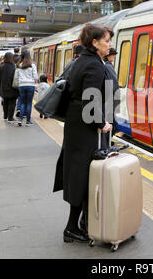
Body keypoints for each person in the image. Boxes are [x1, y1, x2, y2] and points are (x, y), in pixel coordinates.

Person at [53, 23, 113, 243]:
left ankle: (78, 225)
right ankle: (72, 227)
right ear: (94, 43)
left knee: (79, 174)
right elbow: (91, 98)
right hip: (85, 128)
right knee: (82, 175)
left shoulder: (82, 61)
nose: (110, 44)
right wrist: (101, 123)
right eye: (106, 40)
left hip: (76, 124)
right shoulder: (94, 66)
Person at [0, 52, 20, 125]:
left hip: (4, 89)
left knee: (5, 102)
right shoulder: (14, 67)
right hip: (13, 88)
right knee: (12, 103)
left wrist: (1, 85)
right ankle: (10, 118)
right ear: (12, 58)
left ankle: (5, 116)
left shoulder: (1, 67)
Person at [16, 51, 38, 126]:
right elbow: (35, 77)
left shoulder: (19, 65)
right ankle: (28, 121)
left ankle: (20, 119)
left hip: (22, 85)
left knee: (22, 103)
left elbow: (16, 77)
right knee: (29, 103)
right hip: (30, 85)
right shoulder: (32, 65)